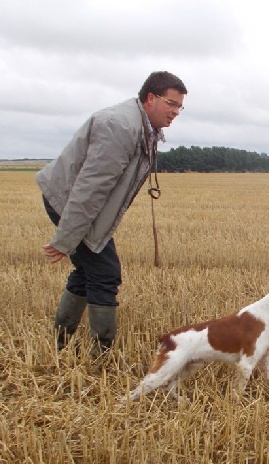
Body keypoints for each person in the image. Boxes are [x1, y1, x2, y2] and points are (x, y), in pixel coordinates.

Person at [36, 71, 187, 355]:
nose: (176, 112)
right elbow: (89, 190)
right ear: (151, 98)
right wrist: (65, 239)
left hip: (83, 206)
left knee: (88, 270)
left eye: (180, 106)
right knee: (105, 272)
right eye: (171, 104)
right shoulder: (120, 127)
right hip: (68, 203)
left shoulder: (143, 127)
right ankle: (101, 356)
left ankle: (60, 344)